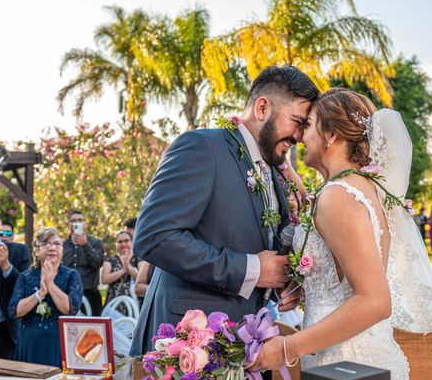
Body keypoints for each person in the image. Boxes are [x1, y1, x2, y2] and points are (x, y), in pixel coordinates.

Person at [253, 89, 432, 380]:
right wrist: (308, 288)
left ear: (331, 134)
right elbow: (350, 280)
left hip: (347, 366)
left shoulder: (338, 197)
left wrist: (286, 347)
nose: (300, 136)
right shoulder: (364, 189)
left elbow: (375, 301)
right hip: (349, 359)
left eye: (308, 125)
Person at [130, 65, 320, 358]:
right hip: (183, 350)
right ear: (262, 107)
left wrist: (282, 281)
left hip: (242, 351)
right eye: (296, 121)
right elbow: (154, 238)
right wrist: (252, 270)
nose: (298, 135)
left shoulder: (275, 173)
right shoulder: (202, 147)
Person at [8, 227, 83, 367]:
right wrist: (40, 293)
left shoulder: (71, 275)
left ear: (62, 250)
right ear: (36, 250)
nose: (52, 247)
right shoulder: (25, 276)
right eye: (46, 243)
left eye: (56, 243)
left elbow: (70, 309)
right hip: (30, 343)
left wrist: (50, 284)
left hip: (59, 342)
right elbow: (15, 311)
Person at [0, 206, 30, 359]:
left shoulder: (18, 251)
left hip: (7, 333)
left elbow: (26, 289)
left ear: (0, 224)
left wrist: (6, 266)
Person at [62, 210, 104, 316]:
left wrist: (85, 244)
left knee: (93, 330)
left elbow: (98, 263)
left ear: (85, 223)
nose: (77, 223)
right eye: (74, 220)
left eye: (80, 220)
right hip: (67, 294)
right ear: (68, 224)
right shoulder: (62, 245)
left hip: (90, 293)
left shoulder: (95, 242)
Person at [102, 231, 139, 314]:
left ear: (132, 242)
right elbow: (104, 280)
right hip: (113, 304)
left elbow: (140, 278)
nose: (123, 244)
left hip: (135, 305)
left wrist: (129, 266)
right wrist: (123, 271)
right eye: (120, 241)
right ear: (116, 244)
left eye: (126, 241)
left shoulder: (138, 259)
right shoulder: (110, 260)